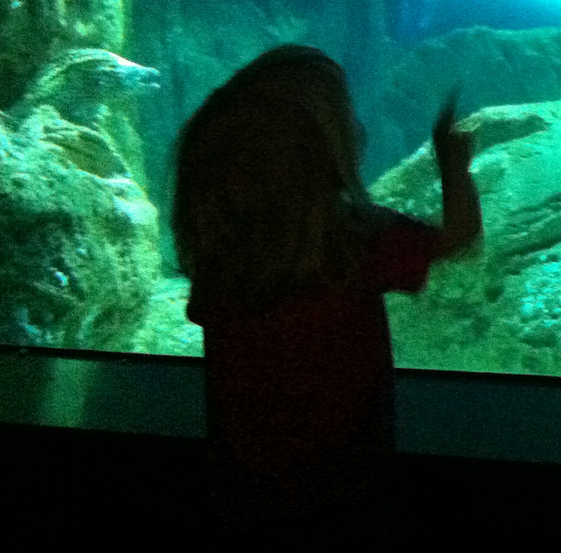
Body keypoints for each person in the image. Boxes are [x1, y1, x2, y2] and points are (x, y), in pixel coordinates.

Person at [172, 45, 481, 532]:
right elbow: (458, 238)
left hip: (241, 486)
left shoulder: (224, 251)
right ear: (324, 148)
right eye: (347, 119)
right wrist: (452, 163)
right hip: (349, 482)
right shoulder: (356, 239)